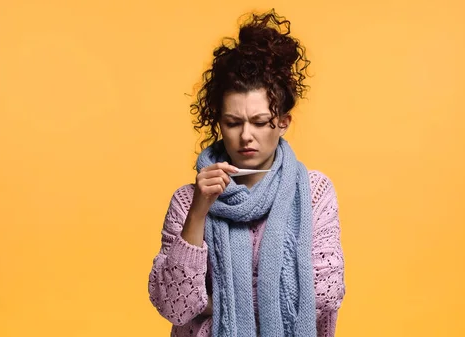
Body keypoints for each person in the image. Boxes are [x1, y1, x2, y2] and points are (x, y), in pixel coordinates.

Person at [148, 9, 345, 337]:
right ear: (219, 124)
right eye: (233, 122)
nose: (246, 135)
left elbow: (325, 292)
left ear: (283, 122)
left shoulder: (313, 192)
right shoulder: (187, 202)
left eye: (259, 121)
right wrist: (199, 213)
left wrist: (217, 297)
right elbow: (175, 305)